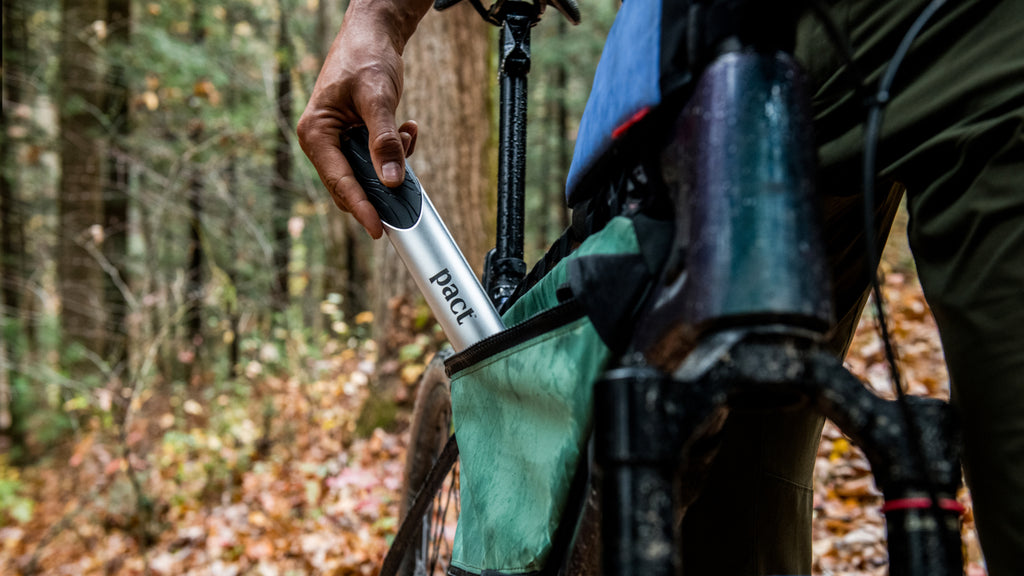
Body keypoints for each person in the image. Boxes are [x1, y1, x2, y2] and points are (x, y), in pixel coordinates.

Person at [297, 0, 1024, 574]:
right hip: (709, 63)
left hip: (942, 48)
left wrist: (381, 15)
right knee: (710, 509)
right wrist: (380, 14)